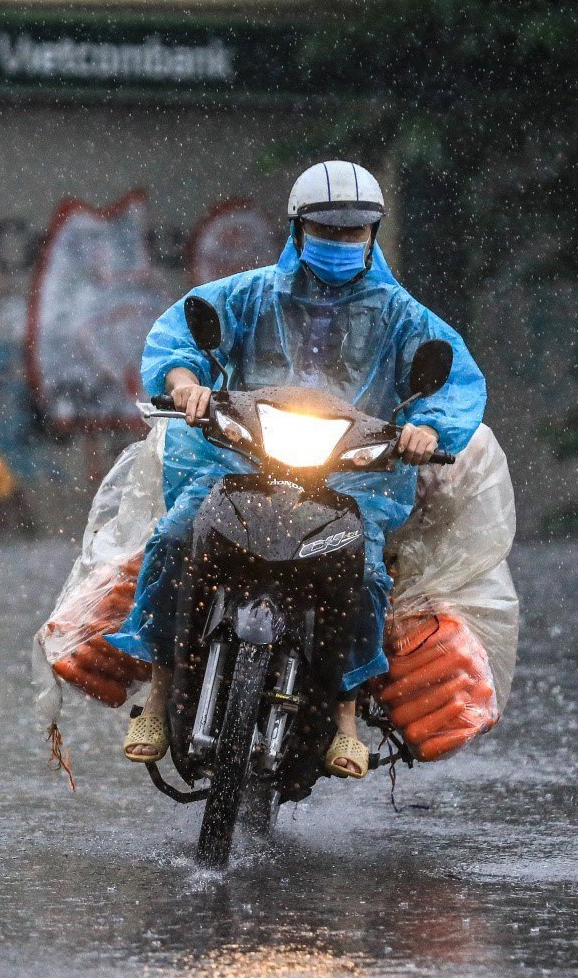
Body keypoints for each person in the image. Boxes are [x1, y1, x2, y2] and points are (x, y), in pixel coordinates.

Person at [105, 160, 487, 779]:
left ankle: (343, 719)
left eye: (354, 232)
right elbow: (180, 336)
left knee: (362, 572)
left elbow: (455, 385)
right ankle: (156, 694)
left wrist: (427, 429)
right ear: (297, 229)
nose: (340, 243)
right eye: (326, 231)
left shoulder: (404, 316)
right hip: (238, 458)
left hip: (354, 476)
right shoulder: (250, 294)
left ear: (373, 234)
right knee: (176, 537)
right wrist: (185, 385)